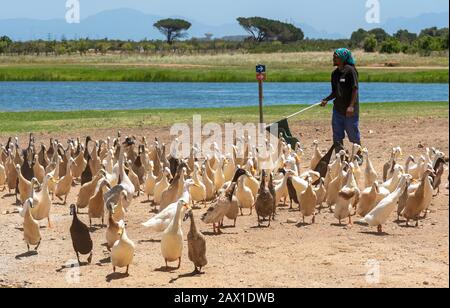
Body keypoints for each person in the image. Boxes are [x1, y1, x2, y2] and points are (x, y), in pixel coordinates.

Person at [321, 48, 362, 159]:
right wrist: (326, 99)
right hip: (338, 109)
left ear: (343, 58)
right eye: (333, 56)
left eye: (336, 56)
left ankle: (359, 155)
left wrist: (351, 106)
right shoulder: (334, 74)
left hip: (350, 111)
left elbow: (355, 89)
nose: (333, 58)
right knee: (337, 136)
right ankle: (340, 158)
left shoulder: (351, 71)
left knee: (353, 134)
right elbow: (335, 92)